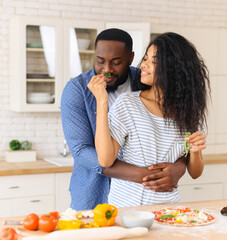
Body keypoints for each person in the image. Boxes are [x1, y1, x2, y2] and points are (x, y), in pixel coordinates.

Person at [61, 29, 189, 210]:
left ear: (130, 58)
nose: (106, 70)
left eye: (116, 62)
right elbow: (81, 151)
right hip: (93, 192)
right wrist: (146, 175)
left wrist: (180, 166)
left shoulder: (145, 80)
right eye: (100, 61)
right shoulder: (77, 90)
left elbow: (175, 134)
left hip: (143, 197)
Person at [87, 32, 210, 207]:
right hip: (127, 209)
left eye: (154, 62)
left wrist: (196, 151)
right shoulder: (128, 104)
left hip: (168, 210)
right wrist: (101, 101)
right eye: (145, 58)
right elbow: (105, 160)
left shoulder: (188, 112)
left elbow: (195, 172)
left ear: (174, 68)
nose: (143, 65)